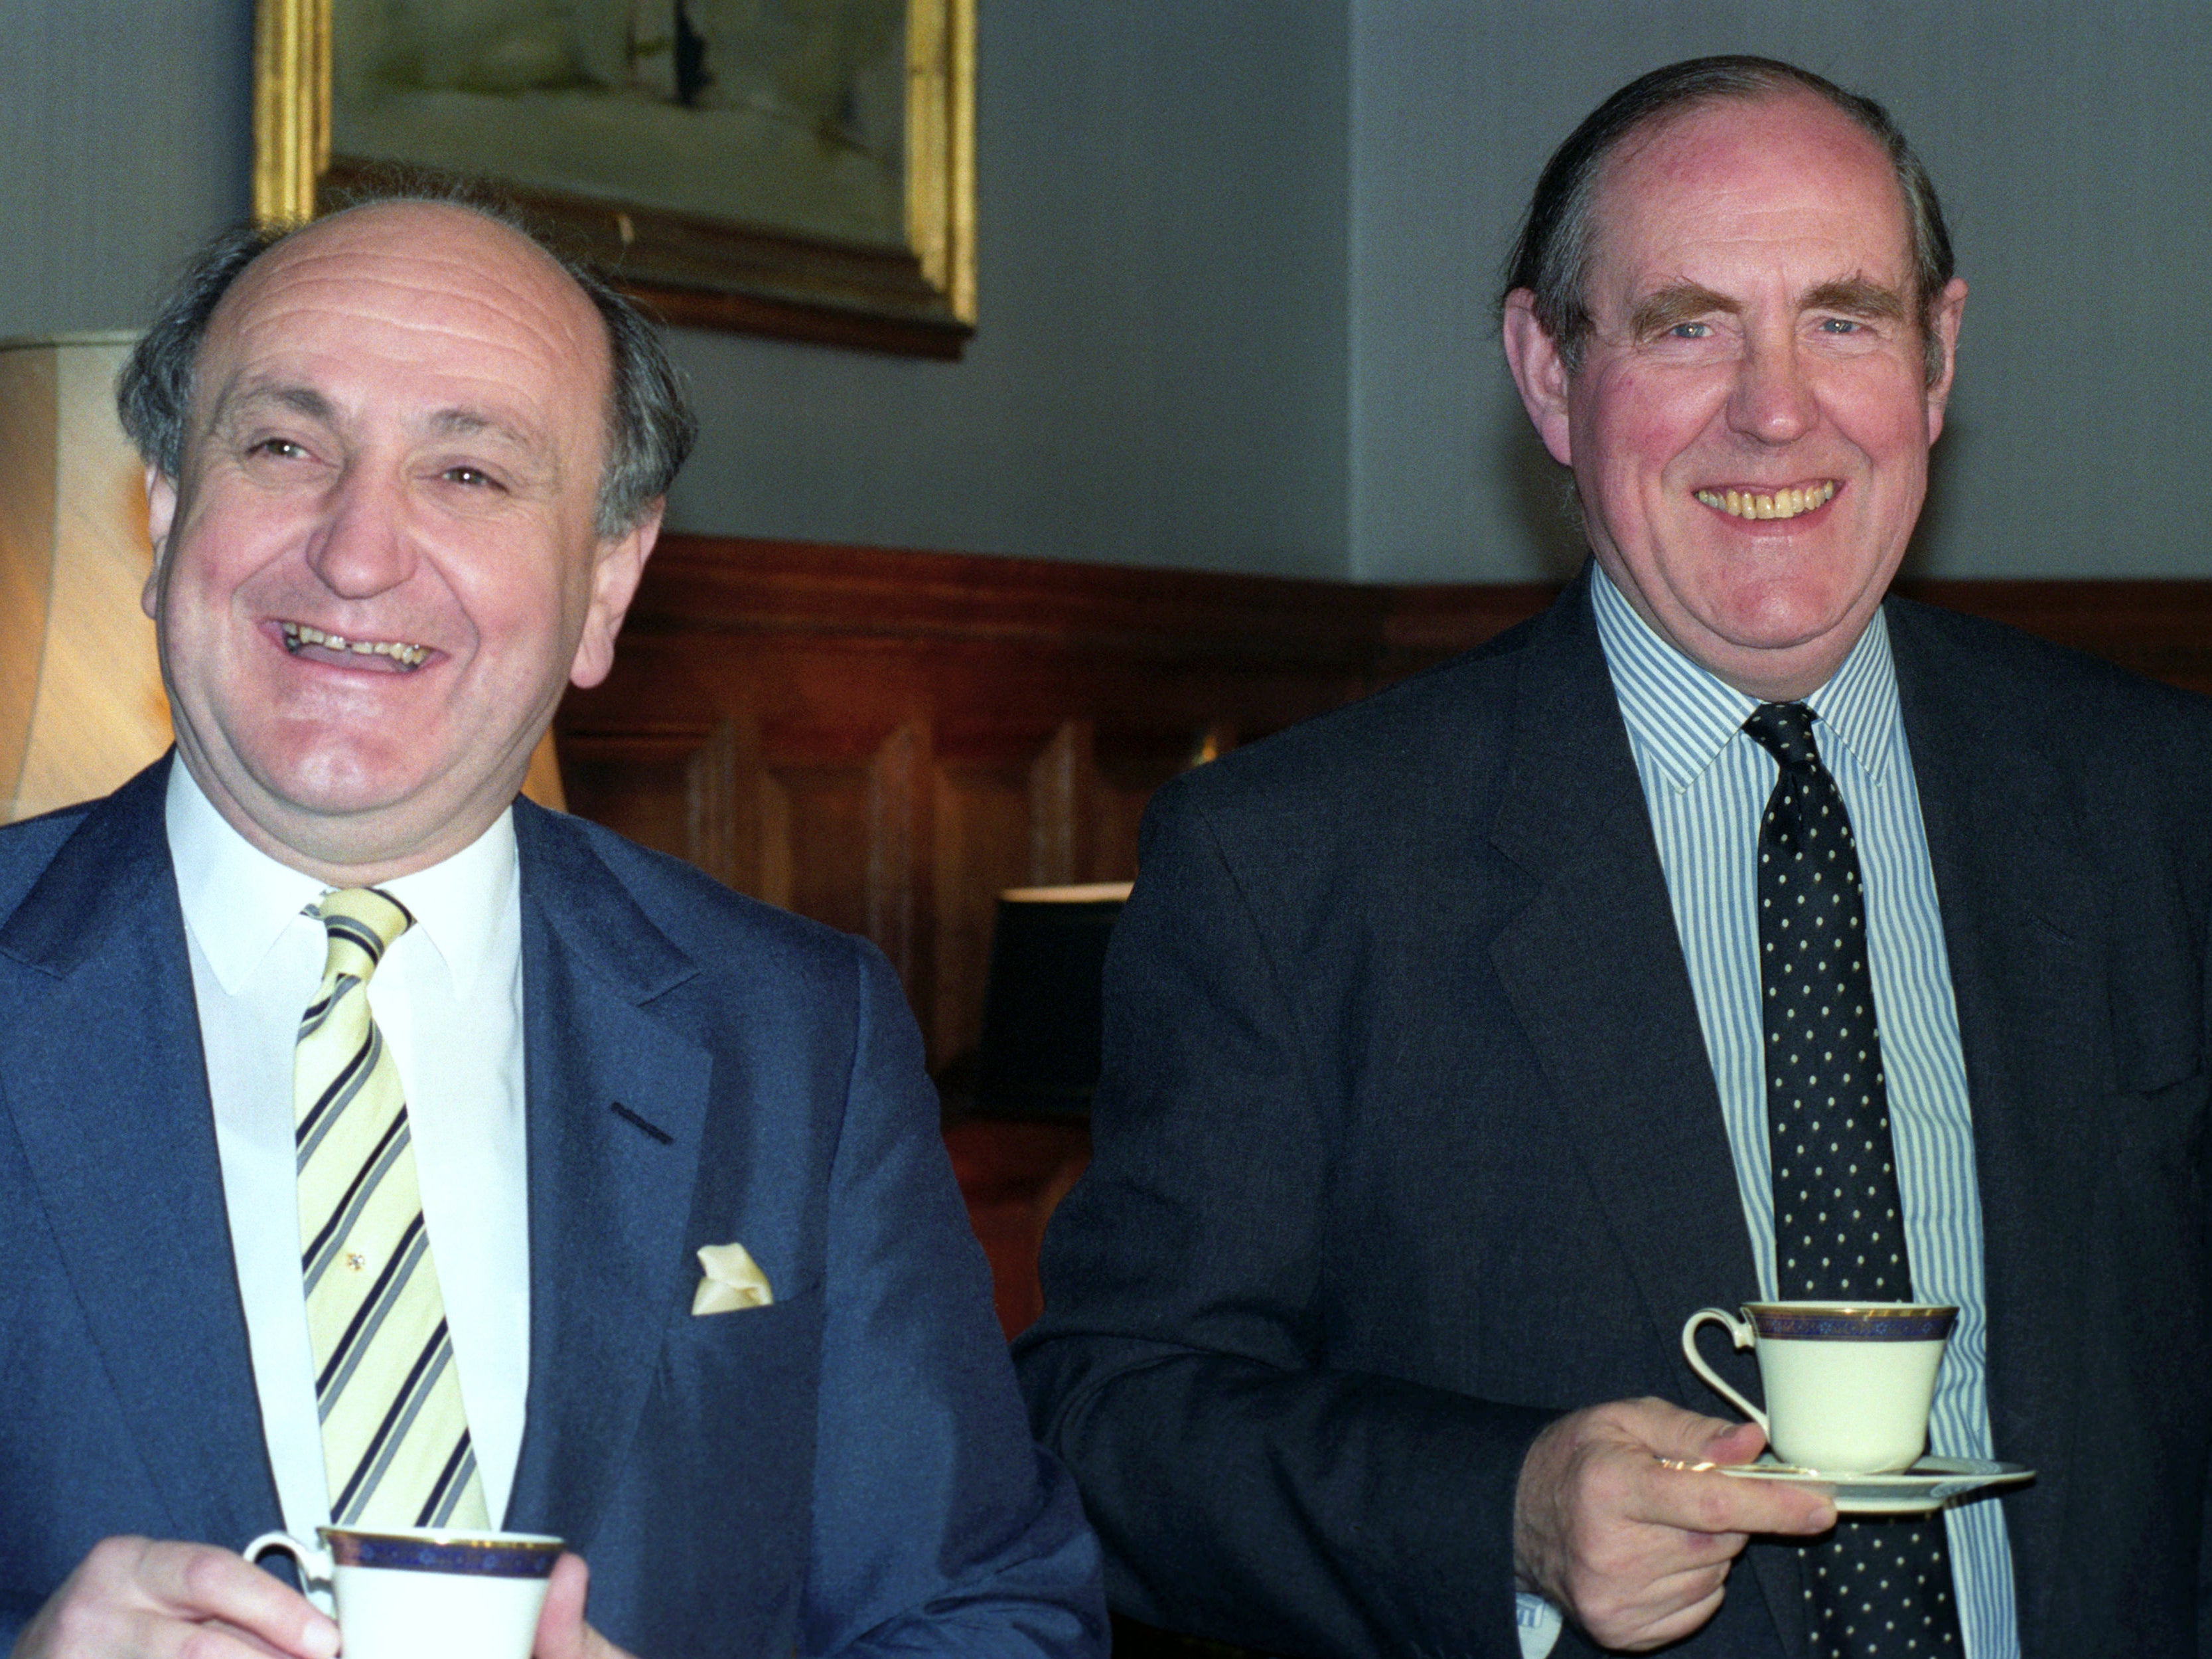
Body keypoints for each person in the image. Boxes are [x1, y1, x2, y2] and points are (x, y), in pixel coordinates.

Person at [1016, 55, 2211, 1659]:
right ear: (1546, 370)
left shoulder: (2157, 799)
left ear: (1936, 358)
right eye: (1684, 323)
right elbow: (1104, 1420)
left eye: (1842, 317)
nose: (1772, 406)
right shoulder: (1293, 863)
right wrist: (1500, 1506)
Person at [0, 195, 1104, 1658]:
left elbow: (988, 1616)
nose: (355, 550)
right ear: (159, 510)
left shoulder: (793, 1032)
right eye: (282, 445)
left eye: (468, 470)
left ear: (606, 579)